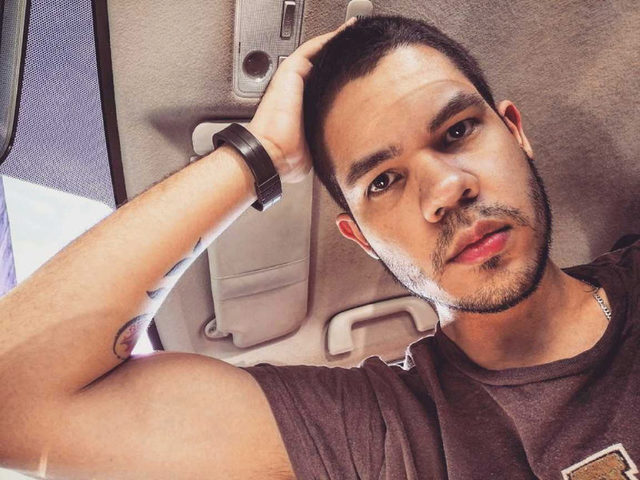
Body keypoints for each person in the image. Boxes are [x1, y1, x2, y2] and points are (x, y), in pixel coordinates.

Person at [0, 14, 637, 480]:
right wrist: (259, 155)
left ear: (515, 132)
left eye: (457, 131)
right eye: (383, 181)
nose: (446, 190)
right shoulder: (375, 432)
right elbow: (13, 403)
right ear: (362, 240)